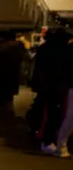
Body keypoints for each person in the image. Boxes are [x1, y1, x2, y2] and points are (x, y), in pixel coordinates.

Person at [34, 27, 72, 156]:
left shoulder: (45, 49)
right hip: (58, 87)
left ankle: (46, 139)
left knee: (49, 113)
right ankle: (48, 140)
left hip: (48, 86)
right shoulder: (64, 51)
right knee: (55, 114)